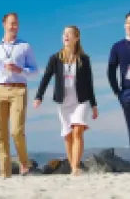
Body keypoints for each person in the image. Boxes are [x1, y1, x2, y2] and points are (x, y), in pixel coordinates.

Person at [0, 12, 38, 178]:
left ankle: (24, 164)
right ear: (4, 24)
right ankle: (5, 173)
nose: (15, 27)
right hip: (0, 91)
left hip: (19, 89)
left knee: (16, 131)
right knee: (1, 133)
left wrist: (20, 69)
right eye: (12, 23)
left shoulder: (25, 46)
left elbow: (35, 70)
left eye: (17, 24)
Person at [33, 25, 98, 176]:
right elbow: (46, 78)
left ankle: (75, 168)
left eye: (69, 34)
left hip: (81, 100)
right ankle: (73, 166)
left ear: (77, 38)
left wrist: (94, 105)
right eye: (64, 34)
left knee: (77, 131)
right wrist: (38, 96)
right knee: (68, 135)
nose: (66, 36)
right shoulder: (55, 59)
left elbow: (89, 83)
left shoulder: (84, 59)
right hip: (63, 102)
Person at [107, 12, 130, 146]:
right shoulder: (118, 47)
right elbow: (111, 70)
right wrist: (117, 91)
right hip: (127, 93)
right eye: (128, 23)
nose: (129, 25)